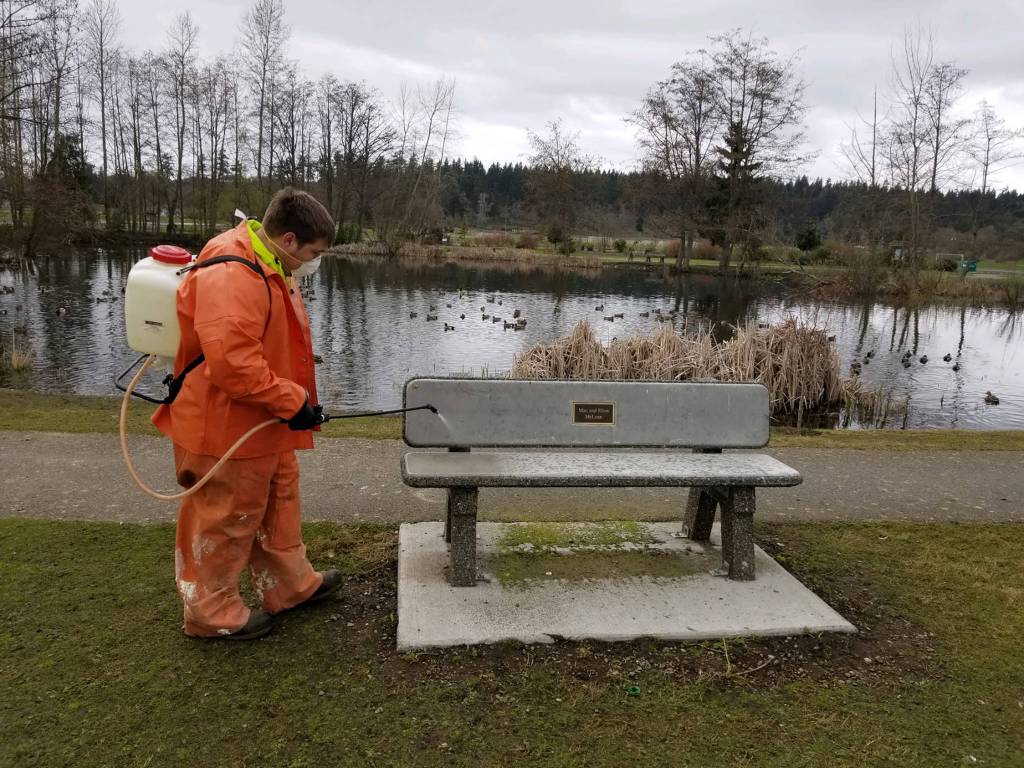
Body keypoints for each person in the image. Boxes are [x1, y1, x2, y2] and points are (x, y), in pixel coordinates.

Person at [153, 187, 341, 640]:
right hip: (224, 426)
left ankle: (289, 585)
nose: (313, 263)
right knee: (226, 516)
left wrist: (293, 405)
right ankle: (210, 611)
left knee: (279, 501)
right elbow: (233, 362)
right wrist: (291, 401)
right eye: (314, 253)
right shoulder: (234, 272)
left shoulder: (268, 260)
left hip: (261, 421)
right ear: (290, 239)